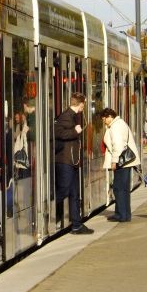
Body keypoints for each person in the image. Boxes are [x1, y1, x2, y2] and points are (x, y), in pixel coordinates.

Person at [54, 92, 94, 235]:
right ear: (81, 104)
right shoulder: (66, 116)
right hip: (65, 161)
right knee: (64, 190)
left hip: (72, 161)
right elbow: (57, 133)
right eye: (84, 104)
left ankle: (77, 225)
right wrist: (74, 132)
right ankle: (48, 210)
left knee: (74, 193)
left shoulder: (72, 116)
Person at [101, 107, 140, 222]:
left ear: (109, 117)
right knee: (123, 188)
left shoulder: (116, 127)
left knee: (119, 189)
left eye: (104, 119)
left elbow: (117, 145)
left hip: (121, 162)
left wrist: (114, 161)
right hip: (125, 162)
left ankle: (121, 215)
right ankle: (124, 214)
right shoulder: (118, 123)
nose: (104, 121)